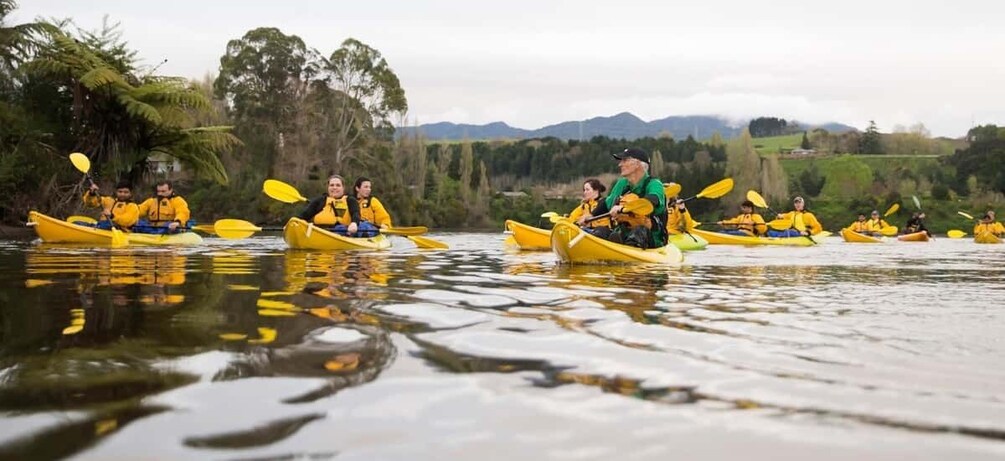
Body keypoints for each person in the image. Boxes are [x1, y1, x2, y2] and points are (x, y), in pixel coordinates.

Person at [576, 148, 667, 249]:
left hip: (649, 236)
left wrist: (623, 208)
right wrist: (590, 215)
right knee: (600, 231)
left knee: (639, 231)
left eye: (624, 161)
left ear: (637, 164)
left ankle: (629, 251)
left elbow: (653, 199)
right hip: (623, 232)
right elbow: (606, 203)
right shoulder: (622, 183)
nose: (620, 164)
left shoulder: (654, 184)